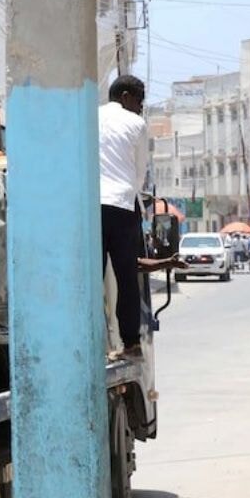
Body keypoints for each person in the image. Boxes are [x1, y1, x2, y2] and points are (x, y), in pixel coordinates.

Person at [98, 75, 148, 358]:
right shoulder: (137, 124)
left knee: (92, 277)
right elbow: (139, 173)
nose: (140, 108)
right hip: (122, 204)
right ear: (126, 96)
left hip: (92, 205)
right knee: (126, 276)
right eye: (139, 101)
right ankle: (131, 344)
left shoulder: (90, 117)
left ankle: (95, 341)